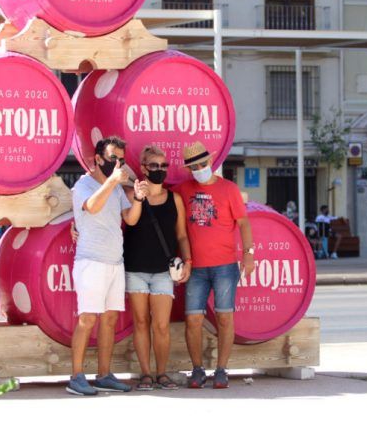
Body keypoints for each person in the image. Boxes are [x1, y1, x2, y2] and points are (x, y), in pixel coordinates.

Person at [67, 136, 147, 396]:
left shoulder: (116, 188)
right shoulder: (83, 185)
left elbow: (130, 220)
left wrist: (137, 198)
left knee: (110, 320)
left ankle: (103, 374)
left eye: (121, 159)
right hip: (90, 261)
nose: (118, 163)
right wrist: (113, 180)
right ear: (98, 159)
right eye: (113, 158)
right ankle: (76, 377)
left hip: (115, 262)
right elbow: (91, 207)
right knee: (87, 319)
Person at [175, 141, 255, 389]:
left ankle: (222, 370)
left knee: (224, 318)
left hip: (225, 266)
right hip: (195, 267)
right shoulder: (182, 190)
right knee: (193, 321)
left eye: (202, 163)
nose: (199, 169)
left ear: (210, 162)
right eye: (193, 166)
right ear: (188, 169)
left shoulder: (229, 189)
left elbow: (243, 223)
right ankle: (197, 370)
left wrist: (248, 254)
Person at [123, 145, 192, 391]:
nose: (160, 170)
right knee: (140, 323)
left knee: (161, 325)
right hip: (135, 268)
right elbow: (129, 220)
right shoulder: (131, 194)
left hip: (163, 271)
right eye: (154, 166)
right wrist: (140, 197)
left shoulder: (175, 199)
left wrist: (188, 261)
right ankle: (145, 374)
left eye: (164, 166)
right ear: (143, 168)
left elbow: (182, 236)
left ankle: (162, 373)